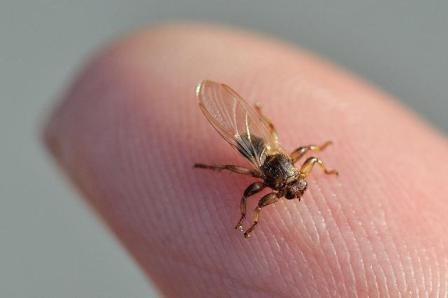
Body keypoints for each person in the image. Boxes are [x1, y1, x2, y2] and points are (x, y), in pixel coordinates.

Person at [44, 24, 448, 297]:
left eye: (296, 186)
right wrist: (246, 217)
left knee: (282, 149)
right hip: (255, 149)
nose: (296, 190)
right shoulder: (267, 178)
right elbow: (254, 193)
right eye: (293, 188)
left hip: (270, 148)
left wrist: (319, 160)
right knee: (238, 174)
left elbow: (306, 153)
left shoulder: (294, 167)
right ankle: (217, 167)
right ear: (283, 184)